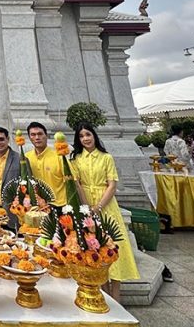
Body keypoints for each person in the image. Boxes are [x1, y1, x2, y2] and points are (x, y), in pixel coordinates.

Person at [70, 123, 139, 301]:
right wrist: (87, 208)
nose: (85, 138)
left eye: (88, 134)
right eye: (81, 136)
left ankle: (116, 298)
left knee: (113, 247)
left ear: (94, 136)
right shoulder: (76, 159)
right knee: (95, 249)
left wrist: (99, 206)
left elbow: (112, 184)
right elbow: (77, 185)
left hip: (107, 205)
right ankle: (103, 296)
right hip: (86, 207)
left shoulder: (106, 157)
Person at [24, 121, 66, 206]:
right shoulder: (26, 158)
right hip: (37, 207)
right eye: (33, 135)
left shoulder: (59, 157)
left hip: (59, 205)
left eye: (40, 134)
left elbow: (73, 183)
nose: (37, 137)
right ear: (29, 137)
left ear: (46, 136)